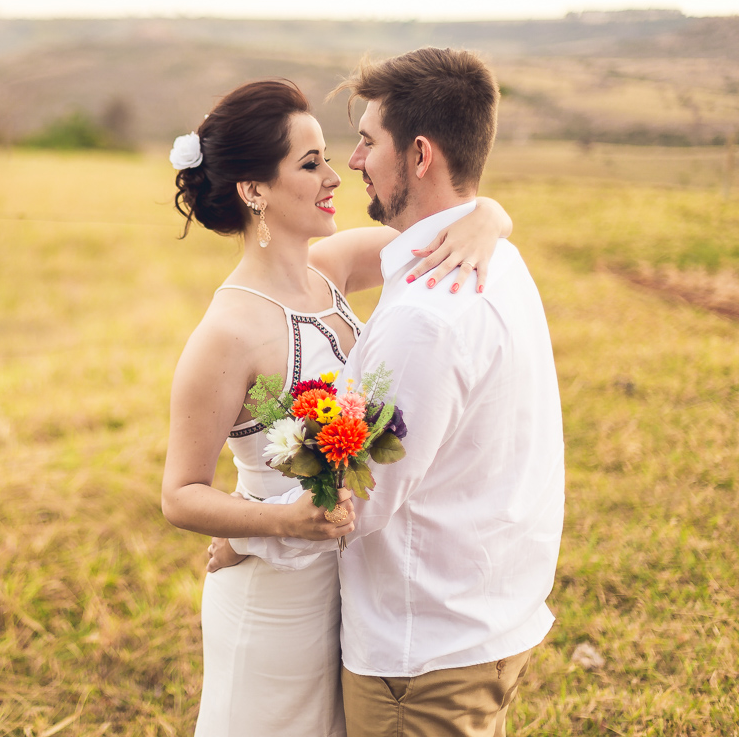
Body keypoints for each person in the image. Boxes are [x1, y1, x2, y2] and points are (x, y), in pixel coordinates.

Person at [160, 78, 514, 737]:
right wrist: (264, 523)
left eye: (328, 156)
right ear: (254, 190)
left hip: (352, 598)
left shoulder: (332, 266)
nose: (335, 176)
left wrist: (490, 216)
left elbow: (445, 224)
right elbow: (179, 494)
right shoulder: (226, 333)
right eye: (310, 163)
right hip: (274, 602)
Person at [230, 51, 565, 737]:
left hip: (422, 656)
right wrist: (490, 213)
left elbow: (353, 502)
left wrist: (250, 534)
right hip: (481, 620)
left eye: (365, 141)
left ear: (419, 155)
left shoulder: (424, 316)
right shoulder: (489, 254)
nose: (348, 164)